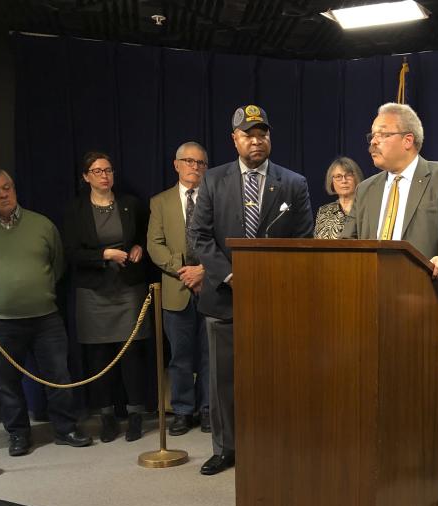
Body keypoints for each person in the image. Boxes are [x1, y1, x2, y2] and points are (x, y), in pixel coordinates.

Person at [342, 102, 438, 506]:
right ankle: (398, 476)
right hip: (376, 315)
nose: (373, 142)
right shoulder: (366, 189)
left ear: (408, 140)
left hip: (434, 308)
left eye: (380, 134)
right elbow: (351, 244)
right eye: (371, 135)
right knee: (385, 400)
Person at [189, 104, 313, 475]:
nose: (256, 141)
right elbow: (199, 236)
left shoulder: (294, 182)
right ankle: (226, 449)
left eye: (262, 134)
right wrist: (230, 275)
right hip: (224, 298)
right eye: (248, 134)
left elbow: (303, 240)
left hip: (275, 300)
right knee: (223, 380)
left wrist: (270, 281)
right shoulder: (213, 179)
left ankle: (272, 447)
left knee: (274, 379)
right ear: (234, 140)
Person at [0, 168, 92, 455]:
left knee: (58, 375)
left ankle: (66, 428)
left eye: (8, 187)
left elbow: (57, 263)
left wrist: (38, 290)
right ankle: (17, 434)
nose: (4, 194)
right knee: (7, 381)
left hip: (45, 316)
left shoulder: (41, 224)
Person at [64, 151, 150, 444]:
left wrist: (139, 247)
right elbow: (72, 253)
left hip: (128, 288)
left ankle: (136, 416)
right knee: (100, 358)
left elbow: (145, 235)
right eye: (97, 171)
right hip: (94, 292)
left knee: (132, 355)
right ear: (86, 176)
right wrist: (104, 254)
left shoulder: (130, 204)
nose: (104, 175)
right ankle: (108, 418)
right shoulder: (75, 210)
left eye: (108, 170)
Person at [147, 141, 212, 436]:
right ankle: (183, 410)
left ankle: (210, 409)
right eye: (188, 161)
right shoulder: (160, 202)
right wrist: (183, 268)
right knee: (180, 357)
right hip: (176, 290)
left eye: (200, 163)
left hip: (212, 288)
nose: (194, 167)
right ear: (176, 165)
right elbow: (154, 245)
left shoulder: (216, 197)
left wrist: (205, 271)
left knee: (211, 355)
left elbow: (225, 241)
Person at [314, 157, 363, 238]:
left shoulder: (365, 209)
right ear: (332, 181)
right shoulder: (323, 211)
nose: (344, 181)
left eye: (349, 175)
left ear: (356, 178)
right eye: (338, 176)